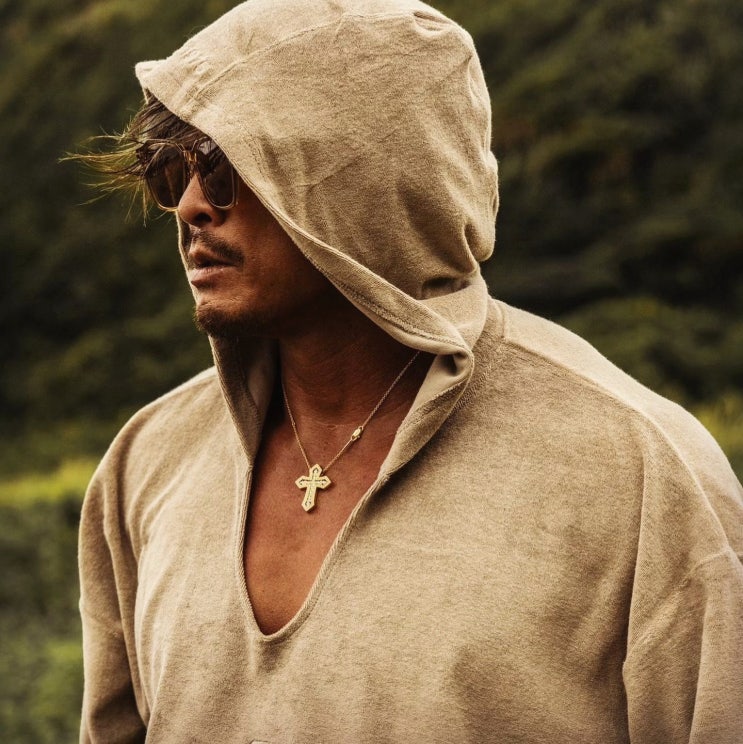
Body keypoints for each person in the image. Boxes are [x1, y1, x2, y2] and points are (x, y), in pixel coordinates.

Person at [77, 0, 743, 741]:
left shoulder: (639, 474)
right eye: (172, 174)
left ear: (369, 176)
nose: (190, 207)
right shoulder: (146, 464)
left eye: (226, 168)